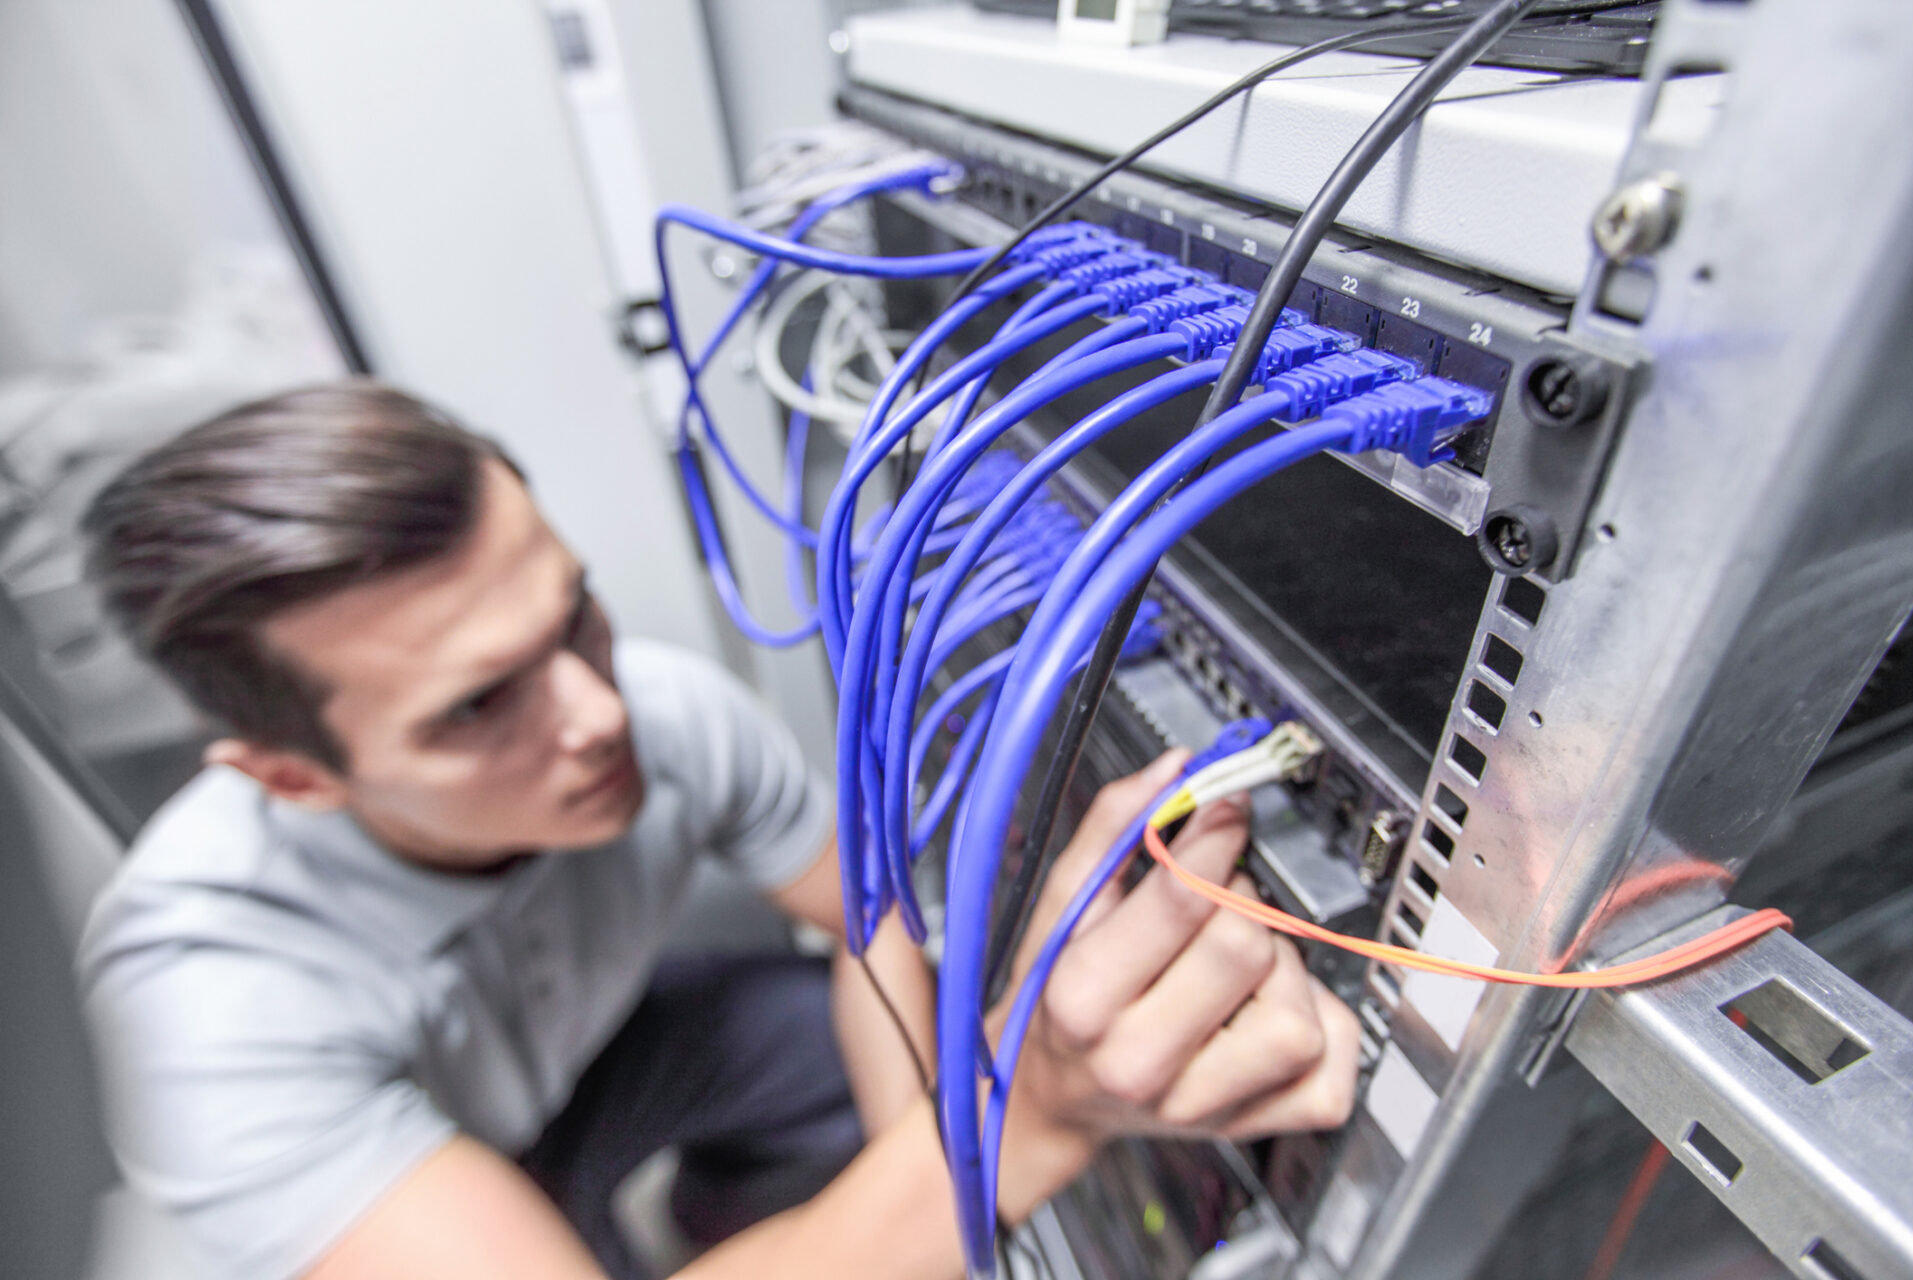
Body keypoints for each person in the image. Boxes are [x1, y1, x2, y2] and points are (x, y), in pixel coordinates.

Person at [77, 381, 1359, 1280]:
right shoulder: (202, 1002)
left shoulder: (658, 711)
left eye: (572, 617)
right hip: (403, 1158)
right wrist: (1030, 1118)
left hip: (606, 1053)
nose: (596, 712)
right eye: (477, 705)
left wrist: (941, 1153)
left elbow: (867, 930)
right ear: (296, 778)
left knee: (820, 1034)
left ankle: (744, 1215)